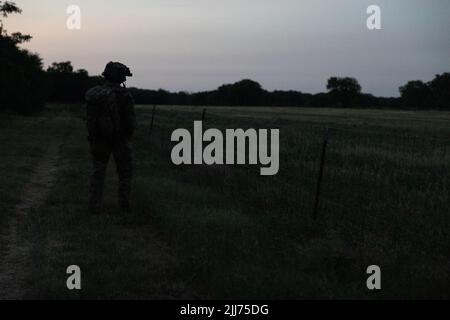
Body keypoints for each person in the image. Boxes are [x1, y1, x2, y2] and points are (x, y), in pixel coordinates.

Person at [85, 62, 136, 214]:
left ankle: (94, 206)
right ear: (120, 77)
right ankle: (124, 206)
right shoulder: (124, 95)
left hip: (99, 138)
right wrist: (129, 136)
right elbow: (130, 121)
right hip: (120, 139)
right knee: (125, 173)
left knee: (98, 172)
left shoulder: (95, 93)